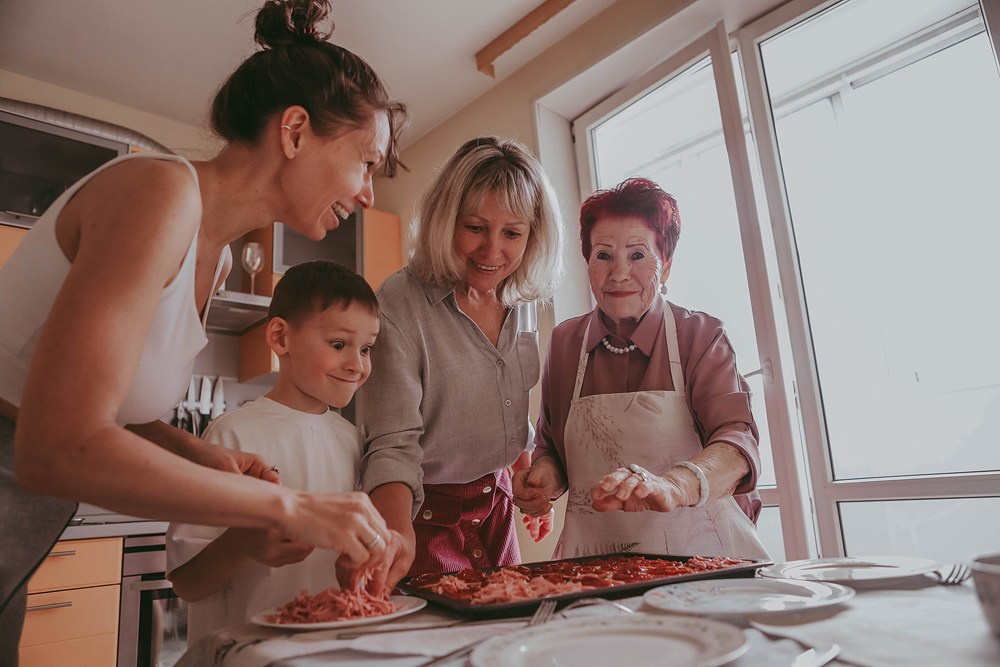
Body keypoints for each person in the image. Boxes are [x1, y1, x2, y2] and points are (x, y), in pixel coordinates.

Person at [0, 0, 405, 659]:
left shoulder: (211, 257)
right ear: (295, 131)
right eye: (365, 161)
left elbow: (101, 405)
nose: (368, 193)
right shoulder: (158, 193)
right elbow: (55, 444)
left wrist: (200, 456)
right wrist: (290, 507)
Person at [512, 177, 770, 560]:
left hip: (704, 563)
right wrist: (543, 481)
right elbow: (553, 450)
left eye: (637, 255)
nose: (618, 274)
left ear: (665, 267)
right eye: (603, 256)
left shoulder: (700, 336)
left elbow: (736, 444)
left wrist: (674, 486)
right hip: (594, 567)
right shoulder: (566, 342)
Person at [356, 136, 564, 590]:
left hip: (497, 508)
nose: (492, 252)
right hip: (421, 517)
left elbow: (507, 403)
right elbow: (392, 446)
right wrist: (395, 537)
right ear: (445, 220)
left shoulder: (520, 297)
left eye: (512, 233)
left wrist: (524, 474)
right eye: (475, 227)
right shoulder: (399, 303)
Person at [166, 261, 381, 643]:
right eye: (338, 344)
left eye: (366, 349)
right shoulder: (232, 435)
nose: (357, 365)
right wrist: (243, 542)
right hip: (245, 653)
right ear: (281, 338)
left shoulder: (355, 441)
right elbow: (187, 582)